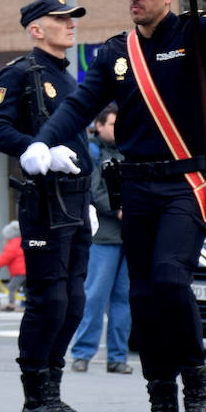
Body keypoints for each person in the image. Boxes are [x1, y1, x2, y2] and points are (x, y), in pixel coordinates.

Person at [24, 0, 206, 412]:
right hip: (135, 187)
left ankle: (198, 395)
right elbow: (81, 103)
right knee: (145, 300)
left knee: (172, 281)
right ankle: (161, 411)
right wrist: (42, 141)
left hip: (184, 184)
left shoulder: (195, 35)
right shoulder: (114, 53)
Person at [0, 0, 98, 412]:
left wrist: (88, 200)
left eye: (72, 18)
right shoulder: (20, 74)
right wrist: (39, 153)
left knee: (72, 302)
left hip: (75, 198)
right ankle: (37, 401)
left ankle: (54, 391)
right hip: (44, 200)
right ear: (36, 29)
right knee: (48, 300)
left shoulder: (69, 79)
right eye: (60, 19)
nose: (71, 25)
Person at [71, 104, 132, 374]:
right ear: (99, 125)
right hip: (104, 236)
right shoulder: (92, 151)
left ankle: (118, 357)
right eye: (112, 124)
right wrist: (119, 209)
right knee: (95, 295)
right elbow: (95, 190)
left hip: (129, 235)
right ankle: (82, 353)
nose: (117, 130)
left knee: (123, 298)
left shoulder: (129, 150)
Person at [0, 222, 26, 312]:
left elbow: (6, 258)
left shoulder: (13, 244)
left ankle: (11, 305)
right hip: (24, 270)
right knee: (25, 287)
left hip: (20, 272)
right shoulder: (21, 241)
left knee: (11, 287)